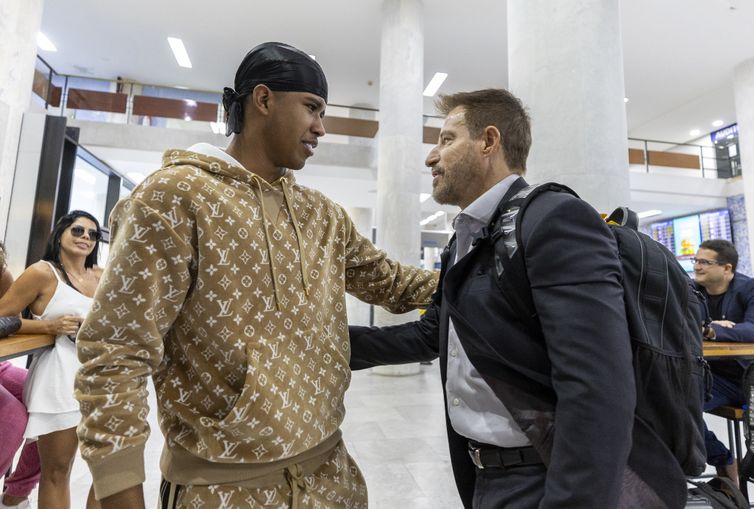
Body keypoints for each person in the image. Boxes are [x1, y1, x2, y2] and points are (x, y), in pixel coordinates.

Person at [74, 41, 437, 509]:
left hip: (332, 477)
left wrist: (491, 272)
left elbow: (394, 283)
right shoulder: (173, 197)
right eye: (312, 108)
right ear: (263, 100)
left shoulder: (321, 214)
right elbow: (116, 354)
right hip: (222, 490)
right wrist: (119, 491)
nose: (321, 128)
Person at [349, 88, 688, 508]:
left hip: (545, 478)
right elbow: (431, 334)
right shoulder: (466, 238)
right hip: (488, 476)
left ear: (488, 142)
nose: (430, 157)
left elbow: (596, 386)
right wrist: (319, 344)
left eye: (447, 139)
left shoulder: (553, 218)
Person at [0, 212, 103, 509]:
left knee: (105, 470)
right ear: (60, 234)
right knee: (57, 471)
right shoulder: (43, 272)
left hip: (101, 377)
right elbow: (4, 317)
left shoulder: (100, 276)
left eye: (93, 234)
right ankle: (15, 496)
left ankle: (14, 496)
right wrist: (50, 327)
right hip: (59, 378)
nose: (85, 237)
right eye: (78, 230)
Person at [693, 239, 754, 483]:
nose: (697, 267)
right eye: (696, 261)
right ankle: (724, 460)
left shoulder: (748, 289)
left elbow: (752, 330)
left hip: (746, 379)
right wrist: (709, 326)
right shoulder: (693, 291)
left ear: (727, 269)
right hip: (712, 376)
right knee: (676, 405)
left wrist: (709, 330)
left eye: (704, 262)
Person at [0, 242, 41, 509]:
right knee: (14, 416)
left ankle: (15, 494)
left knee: (50, 398)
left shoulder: (2, 274)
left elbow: (10, 321)